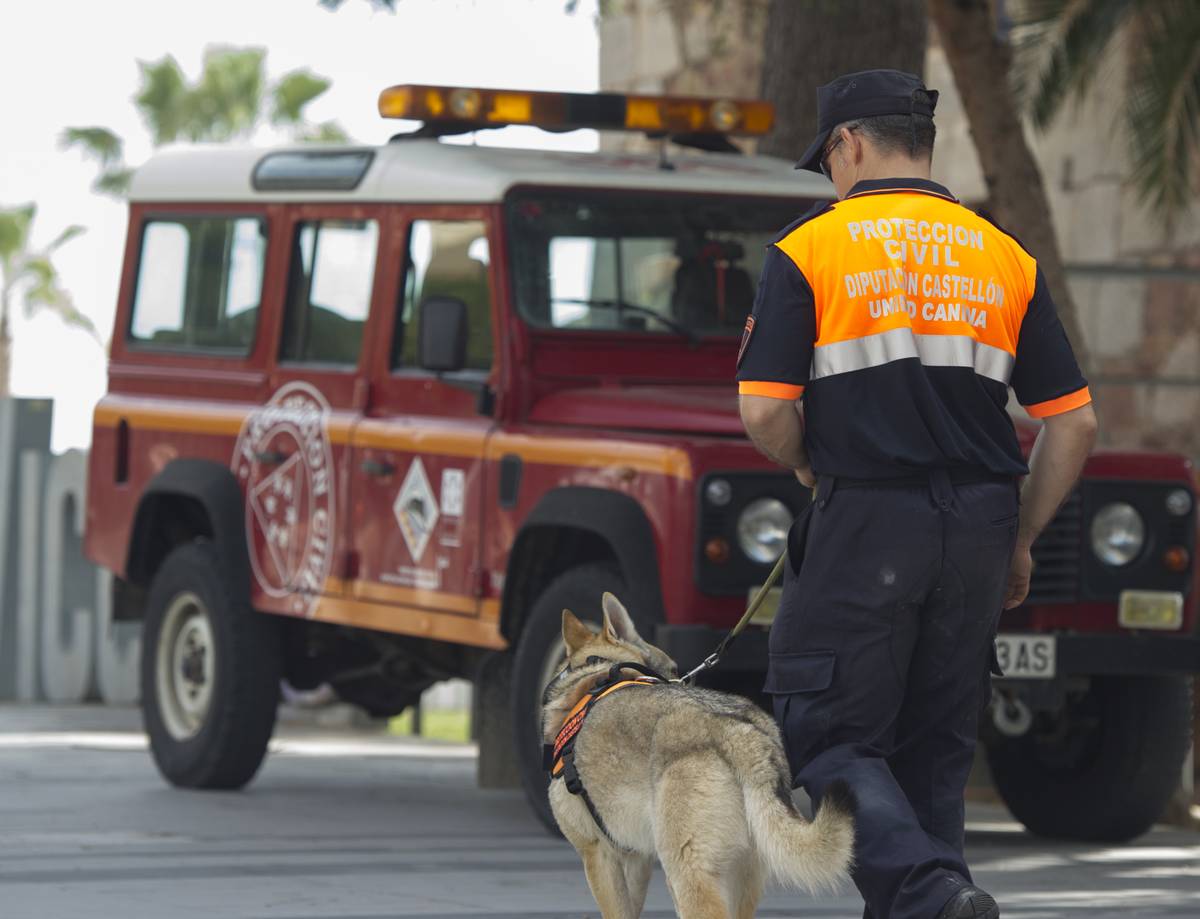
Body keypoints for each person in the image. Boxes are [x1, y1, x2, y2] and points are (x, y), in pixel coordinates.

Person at [736, 69, 1097, 919]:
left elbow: (762, 410)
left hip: (867, 521)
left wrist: (809, 467)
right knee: (934, 751)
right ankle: (943, 898)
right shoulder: (1003, 254)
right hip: (978, 525)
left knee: (824, 731)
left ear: (848, 146)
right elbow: (1074, 425)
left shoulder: (811, 248)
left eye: (826, 160)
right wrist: (1021, 537)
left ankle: (930, 893)